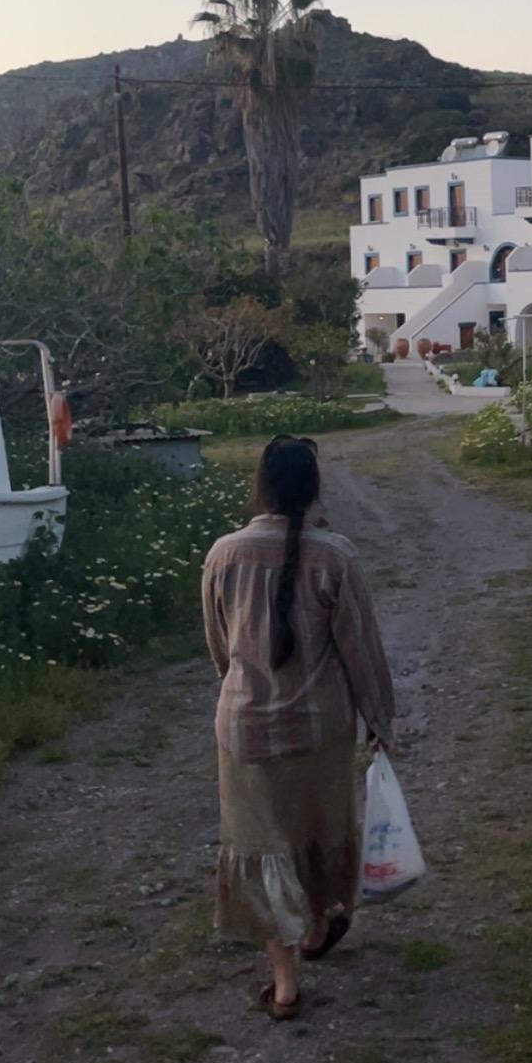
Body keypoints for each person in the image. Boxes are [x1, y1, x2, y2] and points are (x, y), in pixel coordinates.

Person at [201, 435, 397, 1020]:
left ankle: (285, 984)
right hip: (320, 731)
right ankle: (317, 927)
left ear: (260, 487)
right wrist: (379, 720)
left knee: (262, 850)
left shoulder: (222, 554)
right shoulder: (335, 556)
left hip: (245, 733)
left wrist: (243, 690)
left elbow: (219, 649)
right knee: (317, 831)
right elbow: (361, 651)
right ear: (312, 489)